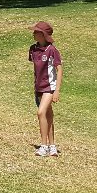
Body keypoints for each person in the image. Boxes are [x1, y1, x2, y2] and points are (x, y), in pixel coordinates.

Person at [29, 21, 62, 157]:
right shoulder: (33, 49)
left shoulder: (52, 50)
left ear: (43, 35)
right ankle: (52, 146)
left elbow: (59, 70)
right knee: (48, 115)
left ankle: (43, 145)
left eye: (36, 32)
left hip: (49, 87)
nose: (33, 34)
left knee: (40, 113)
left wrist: (57, 90)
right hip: (39, 88)